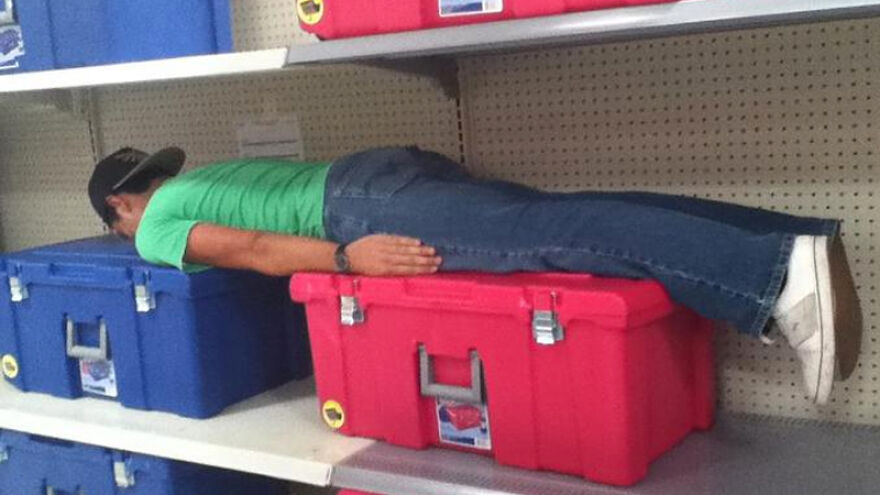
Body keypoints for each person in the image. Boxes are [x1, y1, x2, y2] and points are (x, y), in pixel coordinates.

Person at [88, 146, 862, 405]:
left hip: (357, 211)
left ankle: (774, 278)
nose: (131, 230)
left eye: (119, 218)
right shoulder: (196, 180)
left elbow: (253, 249)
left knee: (560, 232)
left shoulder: (154, 225)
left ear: (120, 206)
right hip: (379, 169)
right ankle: (786, 238)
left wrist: (350, 258)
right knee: (567, 220)